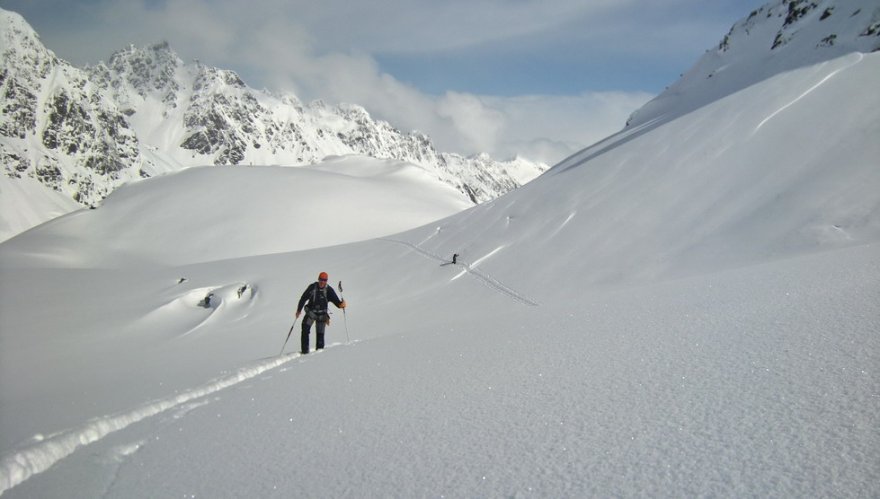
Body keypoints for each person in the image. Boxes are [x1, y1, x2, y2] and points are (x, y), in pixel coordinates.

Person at [295, 272, 346, 354]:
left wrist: (341, 304)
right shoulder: (312, 287)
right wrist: (298, 310)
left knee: (320, 335)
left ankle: (319, 355)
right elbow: (303, 298)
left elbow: (337, 302)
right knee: (305, 329)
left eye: (324, 280)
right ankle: (305, 352)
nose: (322, 282)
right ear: (318, 279)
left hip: (322, 316)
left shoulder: (329, 290)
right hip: (311, 313)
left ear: (326, 281)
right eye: (321, 280)